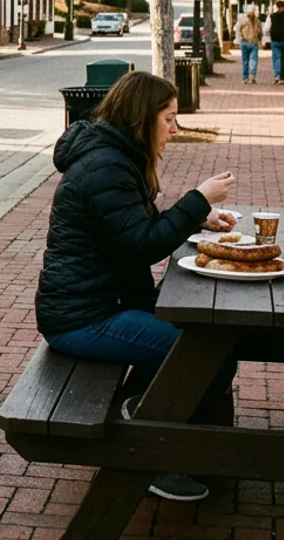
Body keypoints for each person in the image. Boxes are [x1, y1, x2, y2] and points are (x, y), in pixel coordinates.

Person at [36, 71, 238, 502]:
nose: (175, 129)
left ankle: (154, 418)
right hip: (84, 318)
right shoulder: (106, 165)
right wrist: (197, 199)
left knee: (205, 348)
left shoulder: (114, 155)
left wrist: (195, 219)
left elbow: (132, 226)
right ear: (142, 118)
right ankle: (150, 452)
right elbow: (142, 245)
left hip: (100, 305)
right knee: (205, 357)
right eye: (169, 118)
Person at [267, 2, 284, 84]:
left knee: (276, 59)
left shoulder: (271, 16)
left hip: (275, 40)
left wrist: (269, 35)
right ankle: (282, 77)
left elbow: (266, 28)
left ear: (276, 7)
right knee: (283, 60)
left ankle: (277, 76)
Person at [235, 9, 262, 84]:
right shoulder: (244, 21)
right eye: (250, 13)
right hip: (245, 43)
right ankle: (245, 77)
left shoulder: (257, 21)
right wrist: (241, 37)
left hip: (253, 43)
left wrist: (259, 38)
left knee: (252, 60)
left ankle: (252, 76)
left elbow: (260, 31)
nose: (251, 14)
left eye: (252, 13)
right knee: (246, 61)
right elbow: (238, 29)